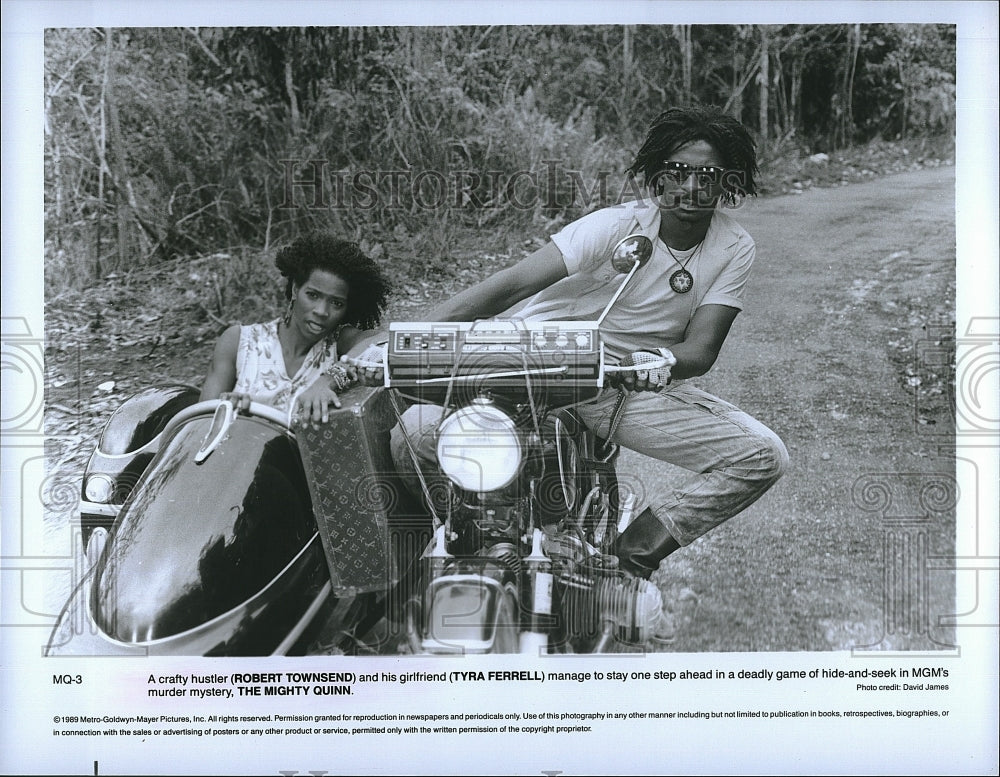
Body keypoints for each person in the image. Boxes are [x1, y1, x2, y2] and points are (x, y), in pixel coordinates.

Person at [379, 105, 789, 584]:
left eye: (708, 176)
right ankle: (470, 536)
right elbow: (512, 286)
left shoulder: (734, 246)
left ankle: (624, 561)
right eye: (678, 172)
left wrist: (661, 360)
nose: (691, 188)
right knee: (416, 434)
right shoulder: (616, 227)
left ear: (727, 184)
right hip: (535, 361)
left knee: (762, 455)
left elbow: (702, 349)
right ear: (657, 177)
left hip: (621, 382)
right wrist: (411, 337)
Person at [200, 233, 391, 422]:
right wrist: (226, 409)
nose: (322, 311)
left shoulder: (337, 344)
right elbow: (199, 423)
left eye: (337, 303)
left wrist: (328, 379)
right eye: (313, 295)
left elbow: (384, 340)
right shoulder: (240, 342)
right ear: (294, 290)